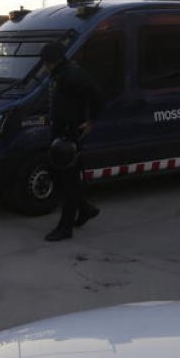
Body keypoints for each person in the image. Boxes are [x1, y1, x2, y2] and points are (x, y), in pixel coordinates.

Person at [39, 41, 103, 242]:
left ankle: (65, 227)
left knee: (70, 180)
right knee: (57, 174)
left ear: (52, 60)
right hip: (59, 131)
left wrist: (91, 121)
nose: (44, 65)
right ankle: (85, 208)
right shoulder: (59, 73)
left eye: (45, 61)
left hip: (70, 134)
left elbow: (97, 96)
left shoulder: (72, 74)